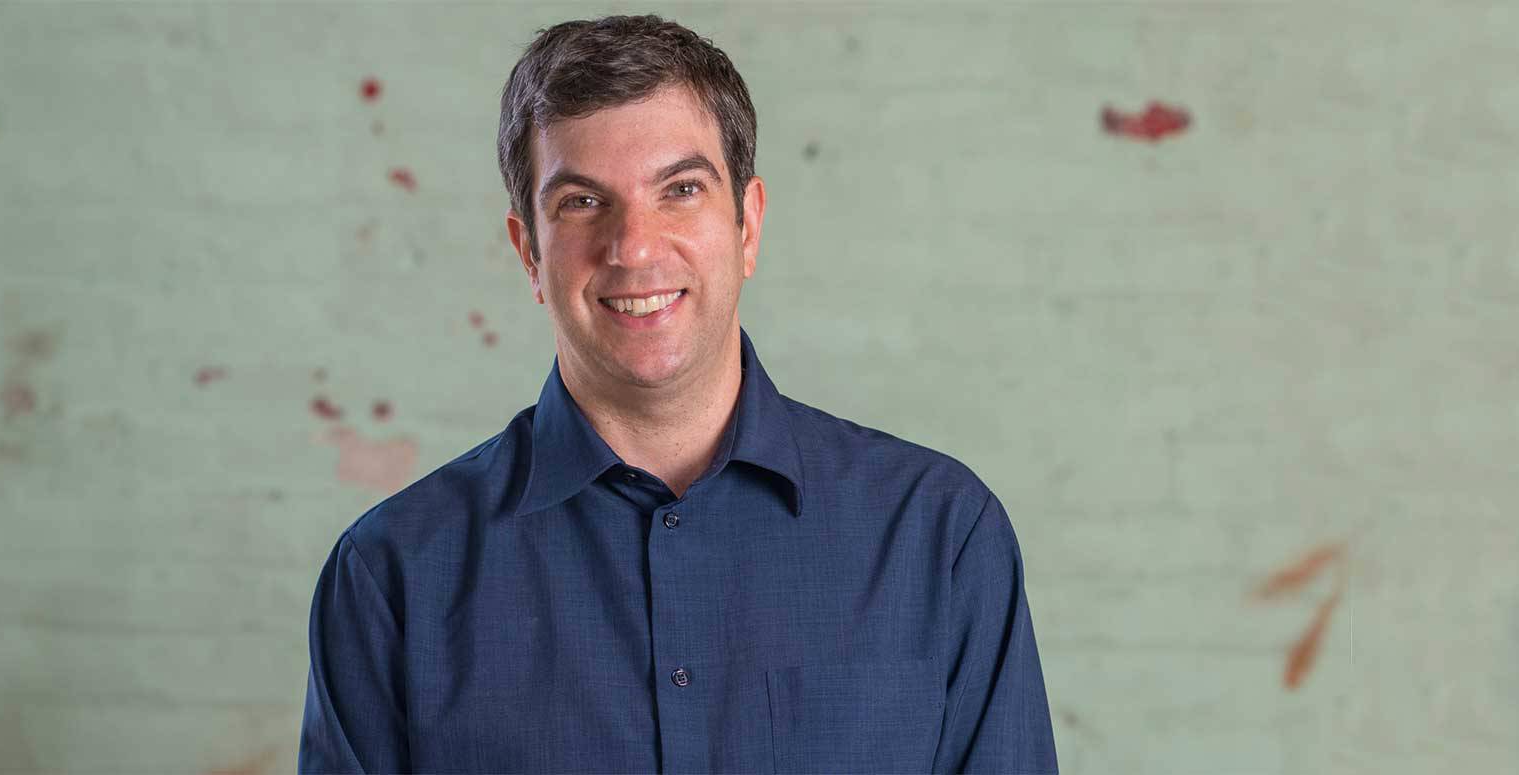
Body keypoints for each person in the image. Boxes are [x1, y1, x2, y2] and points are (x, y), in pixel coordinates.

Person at [299, 14, 1057, 774]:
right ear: (529, 253)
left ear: (747, 225)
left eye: (681, 190)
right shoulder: (392, 576)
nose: (634, 247)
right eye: (581, 202)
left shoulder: (940, 537)